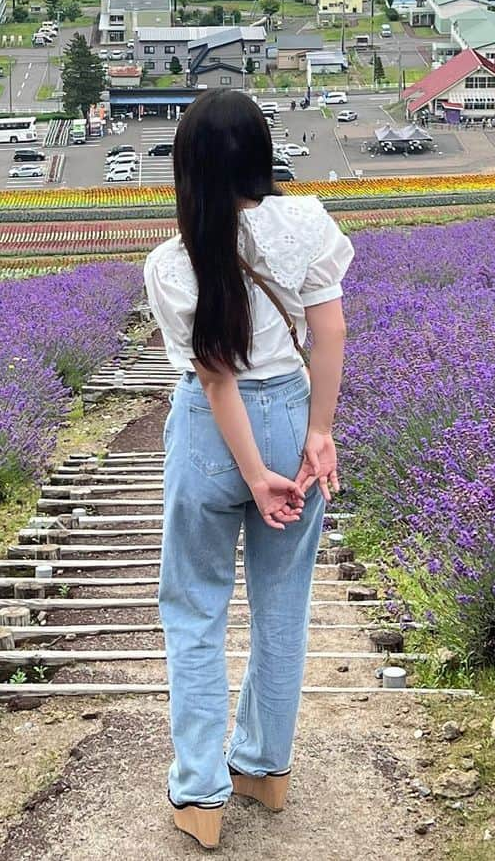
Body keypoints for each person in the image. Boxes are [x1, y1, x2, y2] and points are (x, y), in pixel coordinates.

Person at [144, 89, 353, 851]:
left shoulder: (174, 261)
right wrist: (318, 434)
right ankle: (266, 768)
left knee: (195, 606)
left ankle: (199, 794)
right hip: (292, 411)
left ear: (189, 170)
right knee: (282, 599)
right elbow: (329, 330)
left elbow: (214, 378)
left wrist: (248, 469)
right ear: (262, 156)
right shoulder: (304, 223)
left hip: (212, 434)